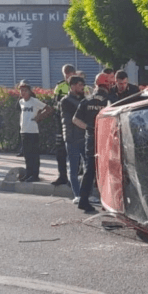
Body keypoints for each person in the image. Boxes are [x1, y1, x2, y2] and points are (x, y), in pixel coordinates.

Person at [73, 73, 111, 214]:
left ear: (96, 84)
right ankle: (107, 203)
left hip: (91, 138)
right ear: (108, 85)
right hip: (106, 139)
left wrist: (89, 127)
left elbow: (75, 120)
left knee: (89, 170)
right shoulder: (109, 100)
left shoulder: (86, 100)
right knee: (107, 171)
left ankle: (83, 200)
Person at [18, 80, 53, 182]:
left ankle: (35, 175)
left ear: (29, 91)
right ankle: (29, 174)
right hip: (24, 130)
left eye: (25, 90)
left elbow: (48, 109)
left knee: (34, 155)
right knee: (27, 154)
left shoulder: (34, 101)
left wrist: (39, 117)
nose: (23, 93)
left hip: (33, 131)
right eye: (21, 91)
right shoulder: (21, 102)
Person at [60, 75, 87, 204]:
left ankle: (85, 193)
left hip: (84, 137)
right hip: (72, 138)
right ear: (72, 86)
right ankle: (77, 195)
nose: (82, 87)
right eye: (79, 85)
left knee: (88, 167)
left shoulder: (83, 99)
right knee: (74, 167)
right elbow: (74, 118)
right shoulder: (65, 101)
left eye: (83, 85)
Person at [51, 64, 77, 186]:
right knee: (60, 151)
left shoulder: (80, 85)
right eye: (66, 75)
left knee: (75, 152)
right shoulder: (60, 86)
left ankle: (75, 178)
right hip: (61, 122)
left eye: (70, 74)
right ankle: (62, 176)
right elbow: (55, 104)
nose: (68, 77)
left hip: (76, 123)